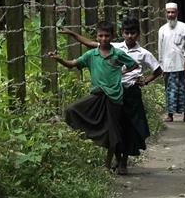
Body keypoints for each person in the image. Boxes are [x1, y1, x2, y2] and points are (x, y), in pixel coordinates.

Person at [60, 17, 162, 174]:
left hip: (130, 93)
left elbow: (157, 70)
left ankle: (123, 162)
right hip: (112, 92)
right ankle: (116, 159)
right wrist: (72, 34)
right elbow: (89, 44)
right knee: (114, 127)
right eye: (127, 33)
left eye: (133, 33)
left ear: (138, 34)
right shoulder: (113, 47)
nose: (130, 36)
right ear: (121, 33)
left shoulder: (143, 53)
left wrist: (144, 81)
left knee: (128, 127)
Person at [49, 21, 138, 172]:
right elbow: (73, 64)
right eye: (100, 36)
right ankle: (91, 139)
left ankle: (109, 163)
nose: (103, 39)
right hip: (97, 94)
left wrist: (120, 72)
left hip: (114, 97)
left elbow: (133, 65)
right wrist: (59, 59)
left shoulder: (117, 54)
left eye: (107, 36)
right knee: (72, 109)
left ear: (112, 36)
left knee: (113, 130)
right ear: (97, 36)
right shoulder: (91, 55)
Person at [158, 2, 185, 122]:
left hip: (182, 64)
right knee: (169, 90)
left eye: (173, 12)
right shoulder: (162, 30)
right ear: (165, 14)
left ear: (177, 13)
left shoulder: (184, 27)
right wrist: (160, 65)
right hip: (167, 66)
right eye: (168, 12)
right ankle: (170, 114)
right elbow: (160, 48)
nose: (171, 14)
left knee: (184, 90)